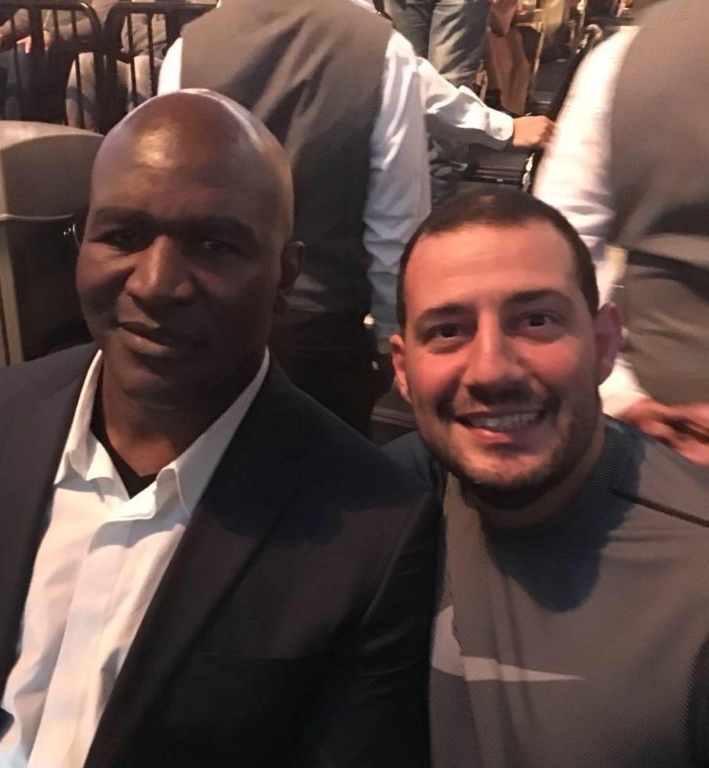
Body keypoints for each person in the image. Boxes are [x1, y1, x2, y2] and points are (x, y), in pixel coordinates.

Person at [0, 90, 437, 768]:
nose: (155, 283)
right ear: (80, 243)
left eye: (214, 245)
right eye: (123, 236)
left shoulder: (373, 531)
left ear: (285, 276)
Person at [388, 188, 709, 767]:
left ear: (604, 344)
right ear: (403, 371)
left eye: (536, 321)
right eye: (448, 330)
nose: (491, 370)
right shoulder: (374, 509)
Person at [157, 0, 551, 434]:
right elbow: (395, 216)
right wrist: (392, 334)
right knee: (327, 464)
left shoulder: (188, 49)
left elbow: (175, 195)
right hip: (323, 324)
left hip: (211, 317)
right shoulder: (379, 48)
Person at [534, 0, 709, 468]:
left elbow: (560, 246)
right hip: (664, 422)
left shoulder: (626, 58)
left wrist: (616, 392)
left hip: (661, 417)